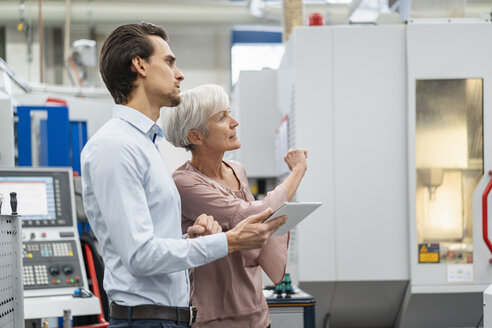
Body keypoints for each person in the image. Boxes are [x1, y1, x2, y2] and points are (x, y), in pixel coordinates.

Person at [81, 22, 286, 328]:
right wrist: (228, 241)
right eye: (169, 62)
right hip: (147, 321)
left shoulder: (145, 144)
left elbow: (151, 245)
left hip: (169, 318)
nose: (180, 74)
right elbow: (139, 256)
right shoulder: (116, 146)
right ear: (139, 65)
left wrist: (188, 239)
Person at [162, 84, 308, 327]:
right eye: (222, 117)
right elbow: (253, 215)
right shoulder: (184, 182)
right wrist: (298, 172)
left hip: (256, 314)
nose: (234, 122)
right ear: (196, 136)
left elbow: (256, 234)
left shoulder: (237, 170)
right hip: (216, 319)